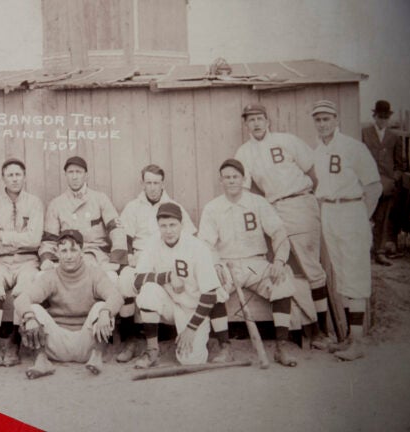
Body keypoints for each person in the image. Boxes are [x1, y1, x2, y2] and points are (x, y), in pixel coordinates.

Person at [235, 103, 331, 349]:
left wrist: (305, 201)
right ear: (245, 124)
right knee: (283, 269)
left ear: (268, 121)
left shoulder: (287, 140)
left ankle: (323, 330)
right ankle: (305, 330)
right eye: (250, 120)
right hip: (273, 208)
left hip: (299, 202)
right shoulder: (244, 152)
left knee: (311, 267)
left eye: (259, 118)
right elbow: (244, 190)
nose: (255, 123)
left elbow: (313, 173)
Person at [198, 159, 299, 367]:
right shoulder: (213, 207)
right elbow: (205, 244)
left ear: (243, 179)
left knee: (283, 278)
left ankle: (281, 346)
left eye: (235, 177)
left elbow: (279, 232)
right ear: (221, 181)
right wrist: (215, 264)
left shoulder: (258, 203)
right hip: (226, 264)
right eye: (227, 177)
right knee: (211, 284)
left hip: (255, 264)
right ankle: (225, 347)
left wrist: (279, 260)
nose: (231, 181)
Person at [312, 100, 382, 361]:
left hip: (352, 209)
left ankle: (358, 341)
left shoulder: (354, 148)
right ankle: (347, 338)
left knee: (356, 274)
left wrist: (363, 218)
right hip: (329, 211)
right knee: (341, 274)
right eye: (318, 120)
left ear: (336, 120)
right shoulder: (317, 151)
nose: (322, 124)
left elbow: (374, 187)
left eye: (327, 119)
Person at [14, 230, 123, 379]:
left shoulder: (94, 273)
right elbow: (22, 299)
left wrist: (105, 312)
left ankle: (97, 357)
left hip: (87, 344)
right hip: (56, 343)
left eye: (73, 250)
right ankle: (42, 361)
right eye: (63, 251)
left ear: (82, 252)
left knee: (102, 307)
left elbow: (116, 296)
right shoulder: (51, 276)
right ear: (57, 253)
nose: (69, 256)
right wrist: (29, 316)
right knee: (32, 309)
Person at [116, 164, 195, 362]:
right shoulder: (133, 207)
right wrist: (129, 257)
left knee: (173, 286)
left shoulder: (173, 206)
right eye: (148, 182)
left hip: (166, 258)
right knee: (125, 281)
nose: (152, 187)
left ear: (163, 184)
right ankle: (131, 340)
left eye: (156, 183)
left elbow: (190, 236)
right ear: (142, 183)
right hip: (141, 256)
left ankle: (171, 333)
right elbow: (124, 238)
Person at [133, 202, 224, 367]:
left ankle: (203, 339)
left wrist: (190, 329)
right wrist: (168, 276)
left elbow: (210, 294)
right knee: (148, 291)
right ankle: (152, 350)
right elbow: (137, 280)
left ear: (182, 225)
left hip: (192, 308)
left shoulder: (197, 247)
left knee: (191, 360)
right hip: (169, 303)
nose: (168, 231)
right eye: (163, 226)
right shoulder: (153, 242)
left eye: (173, 225)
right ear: (158, 227)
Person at [0, 158, 43, 367]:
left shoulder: (34, 203)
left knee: (24, 288)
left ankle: (13, 343)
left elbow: (34, 239)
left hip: (27, 260)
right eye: (10, 175)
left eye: (18, 174)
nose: (14, 179)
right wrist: (17, 237)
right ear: (3, 178)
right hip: (0, 261)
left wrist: (6, 236)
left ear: (24, 177)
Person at [39, 156, 128, 276]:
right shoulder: (56, 204)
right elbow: (49, 240)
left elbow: (117, 230)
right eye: (70, 172)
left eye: (78, 172)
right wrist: (47, 259)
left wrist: (116, 259)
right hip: (68, 257)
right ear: (65, 175)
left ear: (86, 175)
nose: (74, 176)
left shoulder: (100, 199)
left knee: (110, 279)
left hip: (97, 255)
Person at [362, 100, 407, 265]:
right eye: (380, 117)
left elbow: (400, 164)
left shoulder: (394, 137)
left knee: (382, 218)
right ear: (374, 116)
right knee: (364, 217)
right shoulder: (364, 133)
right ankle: (363, 251)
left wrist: (393, 179)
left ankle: (379, 252)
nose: (383, 120)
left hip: (386, 186)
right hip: (367, 183)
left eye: (385, 117)